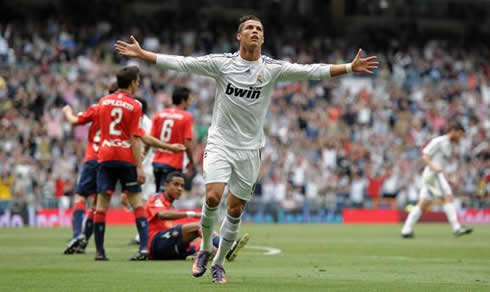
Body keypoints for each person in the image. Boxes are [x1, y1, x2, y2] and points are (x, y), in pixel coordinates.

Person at [115, 15, 378, 283]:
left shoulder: (273, 69)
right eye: (249, 28)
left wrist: (349, 67)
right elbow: (183, 63)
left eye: (259, 29)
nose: (254, 31)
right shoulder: (222, 64)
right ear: (238, 36)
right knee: (213, 197)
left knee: (235, 209)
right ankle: (205, 249)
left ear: (263, 38)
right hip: (220, 143)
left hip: (250, 149)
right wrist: (143, 54)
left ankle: (219, 263)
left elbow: (311, 70)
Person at [93, 66, 185, 261]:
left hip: (105, 155)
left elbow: (102, 132)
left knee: (102, 204)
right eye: (138, 81)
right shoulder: (134, 105)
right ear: (133, 82)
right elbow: (137, 137)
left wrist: (167, 146)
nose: (139, 84)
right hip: (125, 157)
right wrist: (140, 166)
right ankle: (144, 249)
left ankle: (100, 252)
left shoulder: (103, 102)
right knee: (137, 203)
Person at [146, 171, 249, 261]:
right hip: (156, 244)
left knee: (205, 245)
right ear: (165, 185)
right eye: (176, 184)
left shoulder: (171, 205)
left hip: (169, 247)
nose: (179, 189)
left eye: (182, 186)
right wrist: (193, 214)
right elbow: (162, 215)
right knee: (199, 226)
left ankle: (214, 253)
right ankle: (228, 247)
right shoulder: (157, 198)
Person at [401, 121, 473, 238]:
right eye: (460, 134)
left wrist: (448, 179)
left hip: (437, 175)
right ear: (453, 131)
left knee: (423, 203)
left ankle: (406, 230)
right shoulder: (439, 141)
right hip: (432, 175)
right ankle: (456, 228)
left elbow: (441, 165)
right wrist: (433, 167)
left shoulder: (450, 145)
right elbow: (424, 155)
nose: (461, 137)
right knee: (447, 197)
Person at [61, 103, 100, 254]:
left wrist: (67, 111)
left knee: (80, 196)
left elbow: (74, 121)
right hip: (110, 158)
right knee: (98, 204)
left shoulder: (98, 107)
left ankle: (77, 235)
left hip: (93, 158)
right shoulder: (126, 109)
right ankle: (84, 242)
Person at [151, 87, 194, 193]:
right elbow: (187, 144)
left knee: (159, 194)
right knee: (166, 197)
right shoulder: (186, 117)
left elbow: (151, 139)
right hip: (173, 163)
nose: (189, 104)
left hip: (157, 161)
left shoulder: (159, 114)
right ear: (183, 101)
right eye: (189, 100)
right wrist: (191, 161)